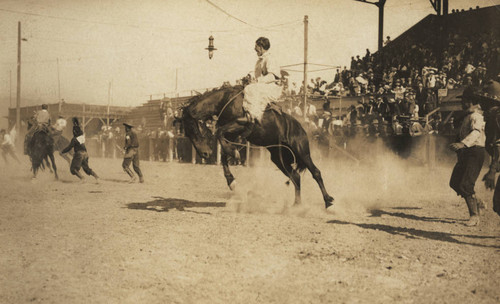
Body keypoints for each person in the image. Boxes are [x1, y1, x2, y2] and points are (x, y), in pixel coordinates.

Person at [449, 87, 486, 226]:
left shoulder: (477, 116)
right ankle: (478, 203)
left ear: (470, 101)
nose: (462, 103)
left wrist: (462, 144)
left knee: (465, 184)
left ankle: (474, 216)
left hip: (475, 152)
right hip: (466, 152)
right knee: (454, 182)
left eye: (464, 100)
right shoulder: (467, 116)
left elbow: (476, 133)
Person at [240, 37, 282, 126]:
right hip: (263, 86)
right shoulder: (260, 60)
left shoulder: (270, 58)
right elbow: (257, 76)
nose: (255, 49)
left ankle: (252, 116)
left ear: (261, 47)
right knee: (245, 88)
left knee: (250, 89)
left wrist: (257, 81)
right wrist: (250, 79)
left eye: (256, 46)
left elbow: (272, 76)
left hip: (272, 87)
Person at [61, 118, 99, 182]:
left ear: (74, 132)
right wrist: (76, 124)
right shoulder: (81, 137)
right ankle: (97, 177)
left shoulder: (74, 139)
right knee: (86, 169)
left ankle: (82, 178)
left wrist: (62, 151)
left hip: (79, 154)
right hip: (85, 154)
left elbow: (69, 147)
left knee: (73, 169)